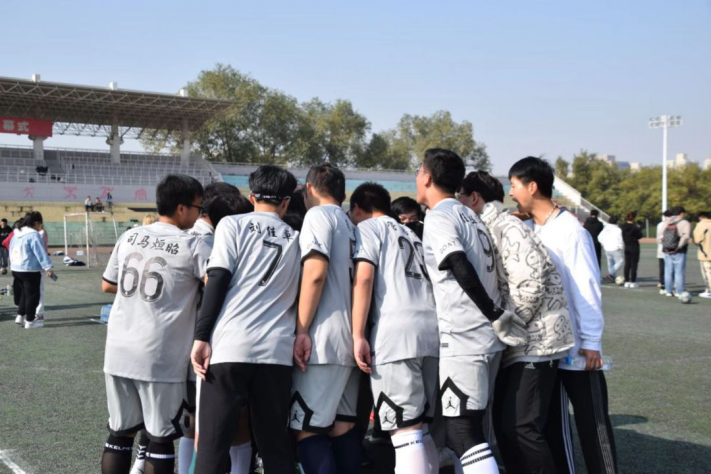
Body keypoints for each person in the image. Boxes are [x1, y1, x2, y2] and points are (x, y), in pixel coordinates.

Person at [416, 149, 527, 474]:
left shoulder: (440, 216)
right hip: (486, 339)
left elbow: (457, 262)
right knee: (473, 431)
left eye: (418, 171)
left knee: (462, 433)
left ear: (427, 177)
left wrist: (493, 312)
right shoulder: (469, 214)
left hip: (466, 337)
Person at [457, 170, 575, 474]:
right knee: (506, 426)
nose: (456, 204)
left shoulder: (507, 226)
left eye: (459, 197)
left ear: (474, 198)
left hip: (537, 341)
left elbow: (530, 283)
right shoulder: (491, 227)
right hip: (522, 342)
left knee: (521, 427)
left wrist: (506, 326)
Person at [508, 156, 617, 474]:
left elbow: (586, 287)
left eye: (514, 186)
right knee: (553, 428)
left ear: (532, 186)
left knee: (593, 426)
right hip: (549, 349)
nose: (511, 193)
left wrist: (591, 341)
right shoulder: (531, 229)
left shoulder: (571, 231)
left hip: (579, 350)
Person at [190, 165, 300, 474]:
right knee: (275, 447)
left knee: (212, 447)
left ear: (252, 197)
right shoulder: (296, 237)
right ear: (286, 201)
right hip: (277, 351)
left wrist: (201, 335)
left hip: (230, 345)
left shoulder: (232, 224)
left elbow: (217, 277)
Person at [100, 174, 209, 474]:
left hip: (118, 349)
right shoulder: (193, 244)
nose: (199, 215)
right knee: (161, 438)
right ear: (181, 208)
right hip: (159, 354)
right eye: (198, 208)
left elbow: (107, 284)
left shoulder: (130, 236)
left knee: (119, 434)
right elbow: (214, 287)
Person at [350, 182, 440, 474]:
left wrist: (357, 334)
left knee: (404, 433)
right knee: (420, 428)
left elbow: (364, 278)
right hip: (430, 330)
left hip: (397, 334)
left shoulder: (368, 228)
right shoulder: (411, 233)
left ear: (358, 208)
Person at [161, 182, 251, 474]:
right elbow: (217, 286)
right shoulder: (207, 241)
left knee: (192, 420)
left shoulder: (187, 234)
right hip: (211, 341)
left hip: (184, 339)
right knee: (231, 423)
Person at [289, 163, 362, 474]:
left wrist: (302, 329)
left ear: (309, 188)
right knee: (342, 428)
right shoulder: (351, 223)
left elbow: (315, 273)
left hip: (322, 340)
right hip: (351, 338)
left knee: (307, 429)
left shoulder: (317, 215)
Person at [10, 212, 55, 329]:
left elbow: (11, 249)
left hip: (16, 268)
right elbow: (40, 252)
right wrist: (48, 267)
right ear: (36, 223)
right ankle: (30, 321)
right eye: (40, 223)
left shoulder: (16, 233)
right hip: (29, 269)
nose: (40, 226)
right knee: (33, 296)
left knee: (24, 293)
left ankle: (20, 316)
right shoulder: (33, 235)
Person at [659, 206, 691, 297]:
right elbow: (685, 236)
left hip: (667, 250)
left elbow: (660, 236)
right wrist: (679, 246)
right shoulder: (684, 223)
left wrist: (665, 244)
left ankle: (668, 290)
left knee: (668, 271)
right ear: (681, 213)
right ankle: (679, 291)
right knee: (679, 272)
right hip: (679, 251)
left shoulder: (667, 222)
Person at [598, 217, 625, 282]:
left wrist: (604, 244)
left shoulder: (605, 229)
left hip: (607, 248)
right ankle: (610, 273)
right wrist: (621, 246)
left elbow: (599, 237)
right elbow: (620, 239)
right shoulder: (618, 229)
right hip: (615, 248)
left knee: (610, 263)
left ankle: (612, 276)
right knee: (620, 261)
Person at [619, 213, 643, 288]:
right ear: (634, 218)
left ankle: (626, 281)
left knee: (627, 264)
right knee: (634, 265)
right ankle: (633, 281)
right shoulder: (635, 227)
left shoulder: (623, 226)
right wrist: (639, 228)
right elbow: (640, 236)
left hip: (627, 246)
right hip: (634, 246)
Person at [692, 211, 711, 298]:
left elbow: (697, 240)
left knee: (707, 273)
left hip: (705, 254)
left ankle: (709, 291)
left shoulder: (700, 225)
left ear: (700, 217)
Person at [655, 210, 673, 292]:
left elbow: (658, 238)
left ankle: (662, 283)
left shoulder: (660, 224)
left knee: (662, 268)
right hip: (670, 249)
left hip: (661, 249)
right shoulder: (672, 224)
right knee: (670, 268)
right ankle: (669, 284)